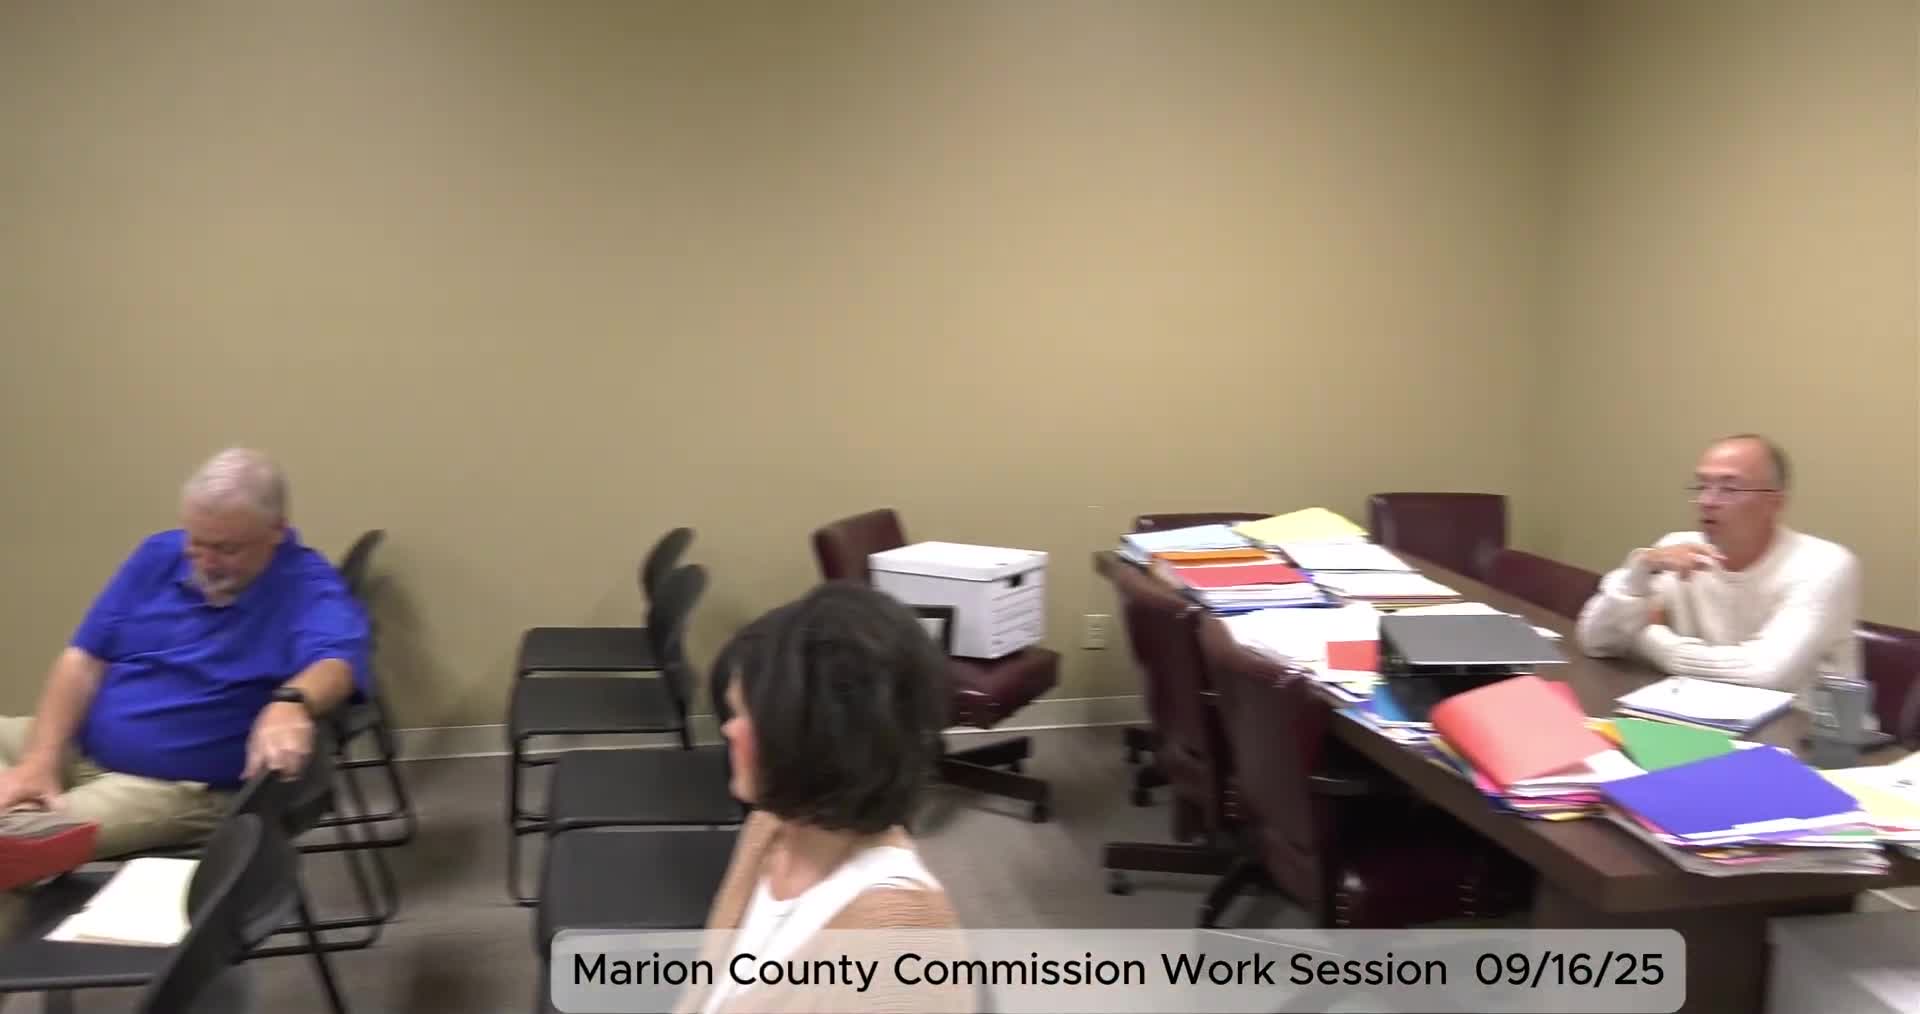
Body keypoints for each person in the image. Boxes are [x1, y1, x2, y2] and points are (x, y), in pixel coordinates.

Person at [0, 447, 371, 894]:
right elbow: (82, 660)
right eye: (196, 542)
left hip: (174, 787)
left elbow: (336, 663)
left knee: (15, 848)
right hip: (80, 746)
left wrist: (290, 703)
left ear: (276, 531)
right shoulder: (158, 554)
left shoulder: (308, 587)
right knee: (17, 820)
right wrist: (39, 761)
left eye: (226, 548)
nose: (206, 562)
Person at [678, 582, 969, 1014]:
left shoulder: (901, 952)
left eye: (743, 716)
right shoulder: (772, 826)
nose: (728, 730)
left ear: (811, 738)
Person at [1575, 434, 1862, 710]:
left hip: (1806, 732)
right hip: (1699, 712)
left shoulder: (1824, 564)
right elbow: (1595, 640)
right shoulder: (1677, 550)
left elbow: (1763, 674)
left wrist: (1646, 638)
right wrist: (1640, 570)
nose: (1707, 501)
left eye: (1729, 489)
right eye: (1702, 486)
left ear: (1775, 502)